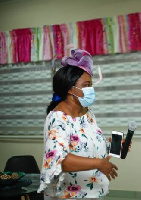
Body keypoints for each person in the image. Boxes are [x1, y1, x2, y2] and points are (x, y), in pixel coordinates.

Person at [38, 49, 119, 199]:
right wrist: (98, 164)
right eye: (86, 85)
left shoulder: (87, 114)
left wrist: (114, 146)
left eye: (91, 84)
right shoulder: (58, 119)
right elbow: (59, 161)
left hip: (93, 193)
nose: (91, 89)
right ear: (70, 89)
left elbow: (89, 147)